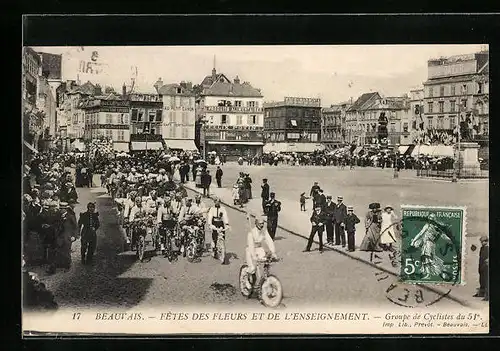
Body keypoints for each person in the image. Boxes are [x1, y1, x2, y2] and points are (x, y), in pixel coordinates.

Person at [245, 215, 277, 284]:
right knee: (253, 268)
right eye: (260, 223)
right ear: (256, 223)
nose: (261, 225)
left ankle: (264, 279)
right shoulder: (251, 233)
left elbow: (269, 241)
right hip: (250, 251)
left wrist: (273, 252)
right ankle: (247, 280)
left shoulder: (264, 232)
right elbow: (251, 246)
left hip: (259, 249)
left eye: (263, 223)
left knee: (266, 262)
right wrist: (254, 256)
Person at [473, 236, 489, 301]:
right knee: (481, 280)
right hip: (481, 265)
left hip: (486, 266)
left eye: (483, 241)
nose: (482, 242)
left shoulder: (487, 248)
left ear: (486, 241)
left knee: (486, 281)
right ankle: (481, 293)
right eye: (481, 241)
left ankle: (487, 296)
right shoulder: (482, 248)